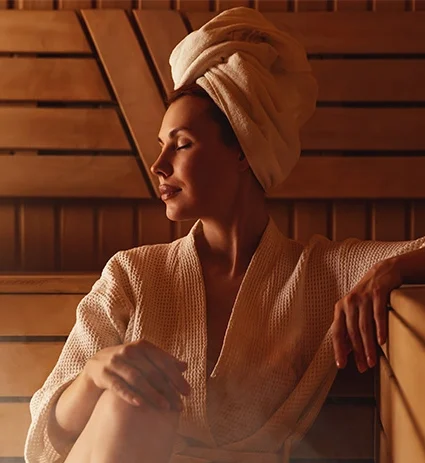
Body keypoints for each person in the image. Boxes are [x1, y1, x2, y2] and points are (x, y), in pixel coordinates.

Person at [24, 7, 425, 463]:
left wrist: (390, 270)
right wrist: (96, 372)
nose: (159, 166)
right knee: (136, 403)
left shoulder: (319, 274)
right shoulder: (133, 274)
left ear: (242, 149)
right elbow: (46, 436)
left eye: (182, 144)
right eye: (161, 147)